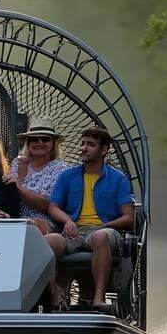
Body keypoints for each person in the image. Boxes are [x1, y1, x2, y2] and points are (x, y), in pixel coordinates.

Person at [47, 127, 134, 311]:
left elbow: (128, 217)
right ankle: (54, 293)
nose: (84, 148)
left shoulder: (118, 179)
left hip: (105, 231)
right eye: (83, 143)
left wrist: (107, 225)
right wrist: (68, 221)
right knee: (49, 241)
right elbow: (53, 207)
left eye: (90, 145)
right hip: (75, 231)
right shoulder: (68, 176)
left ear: (104, 150)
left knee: (100, 237)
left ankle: (98, 299)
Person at [6, 118, 69, 233]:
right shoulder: (17, 163)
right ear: (28, 143)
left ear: (53, 143)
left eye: (45, 139)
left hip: (45, 225)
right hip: (15, 220)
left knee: (31, 227)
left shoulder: (61, 169)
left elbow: (48, 205)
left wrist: (19, 188)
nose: (39, 142)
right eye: (34, 139)